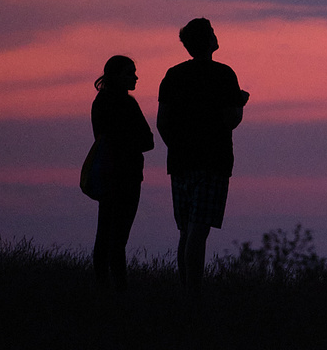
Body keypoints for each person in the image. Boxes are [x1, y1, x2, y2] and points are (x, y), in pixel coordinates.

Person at [157, 18, 248, 292]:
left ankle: (186, 290)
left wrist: (177, 147)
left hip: (181, 163)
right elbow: (231, 119)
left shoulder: (173, 75)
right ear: (209, 40)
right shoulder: (223, 74)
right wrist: (240, 104)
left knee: (186, 231)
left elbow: (162, 122)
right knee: (198, 230)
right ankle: (193, 295)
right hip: (213, 162)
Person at [90, 54, 154, 291]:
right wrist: (131, 141)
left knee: (105, 234)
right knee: (118, 239)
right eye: (130, 73)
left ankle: (104, 287)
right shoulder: (127, 104)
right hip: (125, 178)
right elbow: (147, 140)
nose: (135, 77)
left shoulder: (99, 103)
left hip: (108, 175)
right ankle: (118, 290)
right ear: (116, 76)